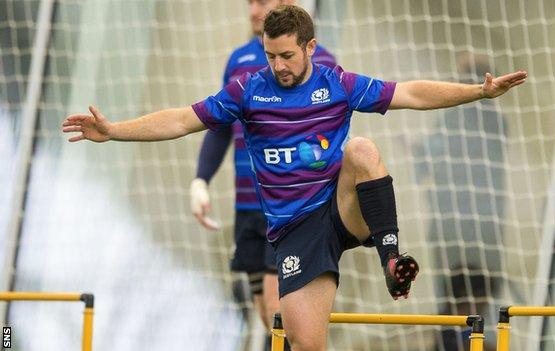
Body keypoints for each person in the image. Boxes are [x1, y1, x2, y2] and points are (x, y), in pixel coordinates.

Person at [62, 5, 527, 350]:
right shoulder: (247, 89)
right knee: (306, 343)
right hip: (295, 231)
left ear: (309, 47)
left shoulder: (337, 83)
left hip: (341, 210)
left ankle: (391, 260)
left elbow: (410, 93)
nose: (278, 66)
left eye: (286, 55)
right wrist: (114, 131)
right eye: (270, 56)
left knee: (363, 150)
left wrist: (478, 93)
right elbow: (183, 120)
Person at [189, 0, 336, 345]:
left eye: (263, 2)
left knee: (278, 311)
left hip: (291, 211)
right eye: (250, 3)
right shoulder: (238, 60)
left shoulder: (321, 62)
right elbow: (218, 125)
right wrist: (201, 179)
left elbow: (328, 134)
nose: (254, 11)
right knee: (265, 314)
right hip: (247, 206)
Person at [414, 54, 507, 351]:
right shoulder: (499, 123)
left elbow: (431, 162)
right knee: (484, 295)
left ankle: (449, 344)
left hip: (451, 222)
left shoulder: (452, 118)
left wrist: (419, 152)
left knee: (452, 295)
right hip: (489, 223)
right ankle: (480, 343)